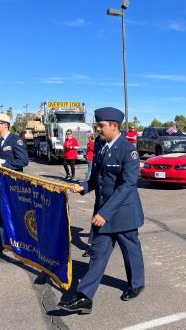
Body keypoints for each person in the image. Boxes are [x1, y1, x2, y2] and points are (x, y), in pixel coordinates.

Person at [57, 107, 145, 314]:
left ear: (114, 126)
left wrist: (104, 213)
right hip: (103, 212)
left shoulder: (128, 150)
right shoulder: (102, 147)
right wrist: (84, 187)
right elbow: (97, 177)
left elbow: (128, 185)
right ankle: (85, 297)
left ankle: (137, 284)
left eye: (101, 125)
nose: (98, 129)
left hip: (122, 213)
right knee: (98, 254)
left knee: (130, 251)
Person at [0, 113, 29, 256]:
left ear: (5, 125)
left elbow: (23, 161)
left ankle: (21, 246)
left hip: (13, 186)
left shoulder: (15, 141)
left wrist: (6, 164)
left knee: (15, 216)